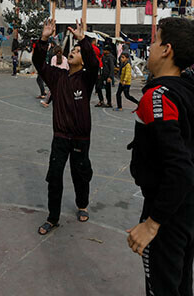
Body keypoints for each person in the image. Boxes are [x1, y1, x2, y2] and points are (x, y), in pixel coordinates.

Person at [125, 17, 194, 296]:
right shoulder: (185, 89)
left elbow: (180, 169)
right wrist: (188, 143)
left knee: (163, 288)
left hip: (168, 209)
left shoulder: (157, 97)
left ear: (167, 49)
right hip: (191, 204)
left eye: (155, 40)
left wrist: (152, 223)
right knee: (181, 286)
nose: (150, 47)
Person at [33, 19, 99, 236]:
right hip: (60, 137)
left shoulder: (87, 78)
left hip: (81, 138)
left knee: (80, 173)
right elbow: (39, 63)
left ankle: (82, 204)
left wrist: (83, 39)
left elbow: (94, 63)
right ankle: (53, 217)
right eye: (74, 49)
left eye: (78, 51)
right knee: (54, 176)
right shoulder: (57, 77)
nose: (74, 52)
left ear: (83, 60)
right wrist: (43, 39)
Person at [95, 43, 116, 108]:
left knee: (108, 90)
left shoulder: (110, 58)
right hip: (103, 74)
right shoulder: (104, 57)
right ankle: (101, 101)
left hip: (108, 76)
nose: (103, 51)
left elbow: (112, 68)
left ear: (108, 51)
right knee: (98, 87)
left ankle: (109, 103)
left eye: (105, 50)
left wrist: (110, 77)